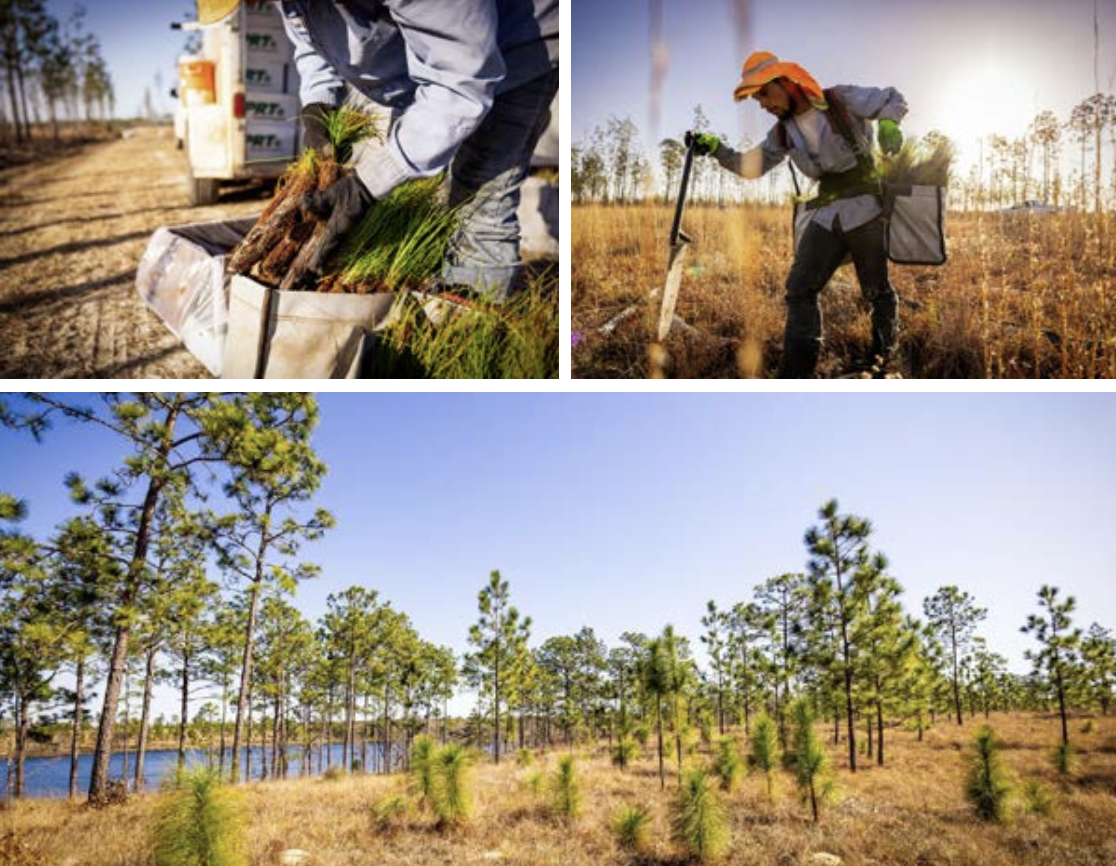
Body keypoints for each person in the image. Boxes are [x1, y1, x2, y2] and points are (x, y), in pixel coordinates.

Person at [197, 0, 558, 301]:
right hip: (428, 67)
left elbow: (463, 81)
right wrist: (319, 98)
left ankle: (467, 332)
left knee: (479, 202)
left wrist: (366, 185)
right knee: (406, 195)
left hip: (518, 52)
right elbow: (308, 33)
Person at [686, 51, 907, 377]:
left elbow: (891, 98)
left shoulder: (839, 99)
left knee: (877, 291)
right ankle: (796, 372)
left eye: (763, 93)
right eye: (755, 98)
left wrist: (888, 121)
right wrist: (716, 148)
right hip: (825, 213)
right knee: (799, 288)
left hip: (866, 209)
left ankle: (881, 360)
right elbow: (750, 168)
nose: (761, 104)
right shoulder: (783, 133)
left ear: (786, 83)